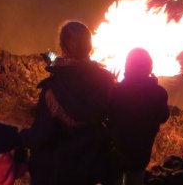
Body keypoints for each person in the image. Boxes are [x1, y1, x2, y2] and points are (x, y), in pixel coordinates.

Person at [20, 21, 116, 185]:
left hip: (56, 172)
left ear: (63, 47)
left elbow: (41, 135)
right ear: (89, 47)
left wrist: (20, 136)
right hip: (90, 170)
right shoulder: (107, 82)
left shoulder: (54, 87)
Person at [108, 48, 170, 185]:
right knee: (135, 180)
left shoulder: (117, 91)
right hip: (141, 153)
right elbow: (163, 116)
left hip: (117, 152)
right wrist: (154, 85)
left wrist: (110, 85)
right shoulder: (159, 93)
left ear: (127, 67)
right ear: (150, 68)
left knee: (115, 179)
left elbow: (106, 115)